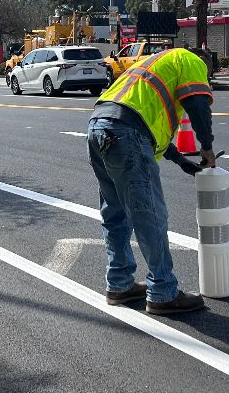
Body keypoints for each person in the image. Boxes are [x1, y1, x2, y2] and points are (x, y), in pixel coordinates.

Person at [88, 47, 216, 315]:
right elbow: (197, 104)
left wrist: (181, 161)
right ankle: (162, 291)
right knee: (150, 215)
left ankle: (120, 284)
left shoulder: (154, 64)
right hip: (125, 132)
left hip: (100, 126)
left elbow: (145, 124)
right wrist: (207, 147)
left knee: (115, 214)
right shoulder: (191, 60)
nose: (206, 82)